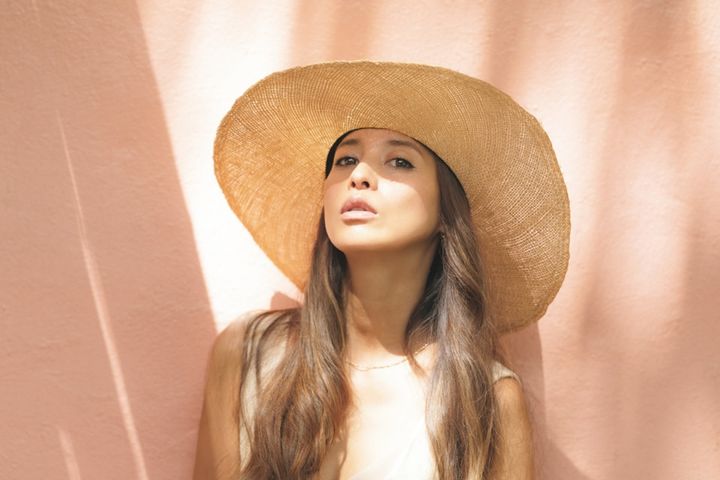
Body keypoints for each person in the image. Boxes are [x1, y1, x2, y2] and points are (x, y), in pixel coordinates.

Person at [193, 61, 570, 480]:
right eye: (345, 159)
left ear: (446, 211)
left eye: (400, 162)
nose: (359, 175)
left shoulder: (486, 403)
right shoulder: (248, 354)